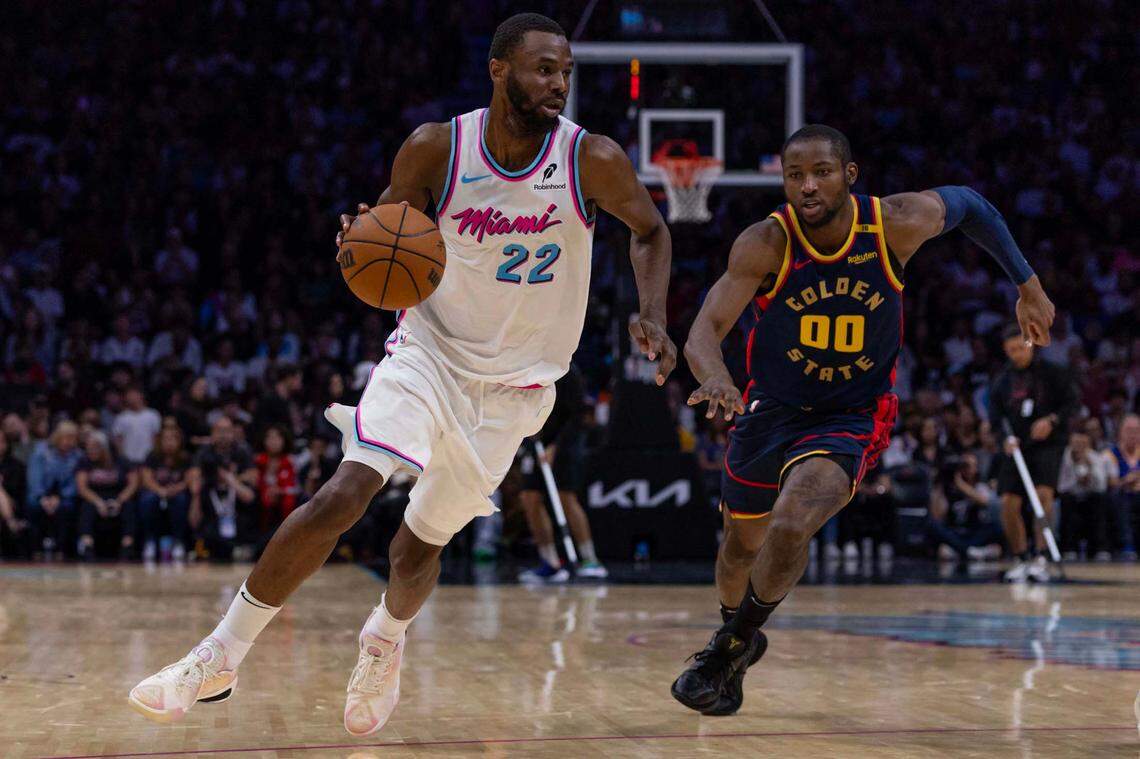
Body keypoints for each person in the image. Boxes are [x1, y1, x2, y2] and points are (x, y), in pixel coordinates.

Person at [129, 13, 676, 737]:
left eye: (566, 71)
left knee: (417, 549)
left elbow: (651, 230)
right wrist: (359, 236)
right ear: (499, 69)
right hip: (430, 355)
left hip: (515, 393)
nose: (558, 84)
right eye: (544, 68)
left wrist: (653, 312)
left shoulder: (591, 159)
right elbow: (383, 230)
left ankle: (383, 640)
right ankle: (219, 654)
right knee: (343, 492)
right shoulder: (438, 148)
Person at [672, 124, 1055, 716]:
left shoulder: (893, 223)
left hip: (851, 413)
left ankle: (730, 646)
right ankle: (737, 630)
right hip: (770, 411)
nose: (807, 185)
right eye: (794, 175)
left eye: (821, 171)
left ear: (849, 175)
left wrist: (1026, 284)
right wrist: (715, 378)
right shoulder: (765, 243)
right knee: (738, 551)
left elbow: (973, 206)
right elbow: (704, 330)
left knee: (793, 521)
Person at [989, 323, 1077, 581]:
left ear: (1031, 344)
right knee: (1008, 501)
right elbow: (996, 418)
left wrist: (1051, 420)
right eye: (1011, 350)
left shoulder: (1054, 373)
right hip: (1016, 447)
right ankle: (1019, 556)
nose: (1016, 354)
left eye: (1020, 347)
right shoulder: (1002, 381)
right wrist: (1004, 439)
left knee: (1042, 495)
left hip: (1049, 444)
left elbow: (1071, 403)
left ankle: (1041, 555)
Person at [517, 364, 607, 582]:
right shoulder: (525, 364)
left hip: (565, 443)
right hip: (535, 439)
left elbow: (578, 415)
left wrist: (555, 447)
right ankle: (551, 563)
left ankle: (589, 559)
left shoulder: (566, 369)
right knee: (529, 498)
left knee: (565, 497)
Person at [927, 452, 1003, 562]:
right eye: (964, 466)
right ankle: (971, 551)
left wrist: (961, 485)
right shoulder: (946, 488)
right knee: (932, 525)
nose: (967, 470)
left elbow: (985, 502)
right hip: (955, 531)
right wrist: (940, 485)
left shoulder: (979, 486)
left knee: (996, 527)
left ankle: (958, 551)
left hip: (974, 532)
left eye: (970, 466)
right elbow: (937, 515)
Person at [75, 430, 139, 560]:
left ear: (105, 447)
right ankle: (87, 545)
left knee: (129, 506)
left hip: (118, 497)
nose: (91, 451)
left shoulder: (121, 461)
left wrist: (119, 501)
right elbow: (82, 488)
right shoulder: (84, 462)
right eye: (89, 448)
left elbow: (133, 484)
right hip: (95, 497)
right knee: (87, 506)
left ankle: (127, 545)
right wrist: (98, 502)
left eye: (95, 448)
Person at [25, 420, 83, 557]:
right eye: (66, 437)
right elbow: (34, 478)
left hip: (64, 496)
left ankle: (61, 549)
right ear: (57, 437)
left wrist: (60, 497)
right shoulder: (41, 451)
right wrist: (42, 497)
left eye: (73, 438)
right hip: (41, 494)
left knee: (67, 507)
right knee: (33, 505)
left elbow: (75, 482)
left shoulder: (78, 456)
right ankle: (36, 548)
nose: (69, 442)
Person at [139, 424, 194, 561]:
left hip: (177, 492)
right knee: (147, 500)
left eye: (172, 439)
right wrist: (160, 490)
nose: (169, 443)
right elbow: (146, 479)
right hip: (157, 491)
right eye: (166, 439)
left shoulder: (185, 458)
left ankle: (178, 541)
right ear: (160, 441)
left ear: (178, 441)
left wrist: (175, 489)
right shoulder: (152, 456)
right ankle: (149, 541)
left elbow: (189, 479)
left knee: (181, 500)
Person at [1057, 430, 1111, 560]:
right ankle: (1069, 548)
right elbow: (1060, 486)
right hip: (1070, 498)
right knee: (1067, 501)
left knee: (1100, 499)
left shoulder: (1096, 458)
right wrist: (1076, 481)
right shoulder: (1063, 458)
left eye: (1083, 444)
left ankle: (1100, 548)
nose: (1079, 447)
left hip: (1091, 498)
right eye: (1076, 444)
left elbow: (1102, 486)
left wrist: (1090, 471)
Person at [1109, 413, 1140, 560]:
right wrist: (1125, 482)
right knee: (1120, 497)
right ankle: (1127, 545)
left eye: (1136, 430)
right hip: (1120, 496)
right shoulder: (1110, 454)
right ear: (1120, 432)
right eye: (1129, 430)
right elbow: (1110, 482)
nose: (1133, 434)